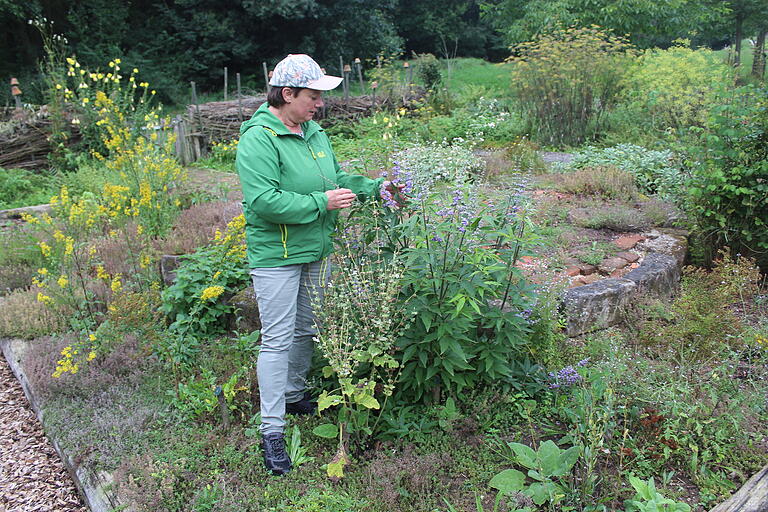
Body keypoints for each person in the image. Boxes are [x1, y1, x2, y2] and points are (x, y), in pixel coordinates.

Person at [236, 54, 396, 475]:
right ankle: (272, 430)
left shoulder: (313, 132)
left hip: (315, 250)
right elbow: (263, 201)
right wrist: (319, 203)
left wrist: (379, 188)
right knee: (277, 339)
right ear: (287, 94)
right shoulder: (259, 138)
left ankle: (293, 393)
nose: (319, 103)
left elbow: (336, 179)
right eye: (313, 96)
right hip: (277, 255)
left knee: (306, 327)